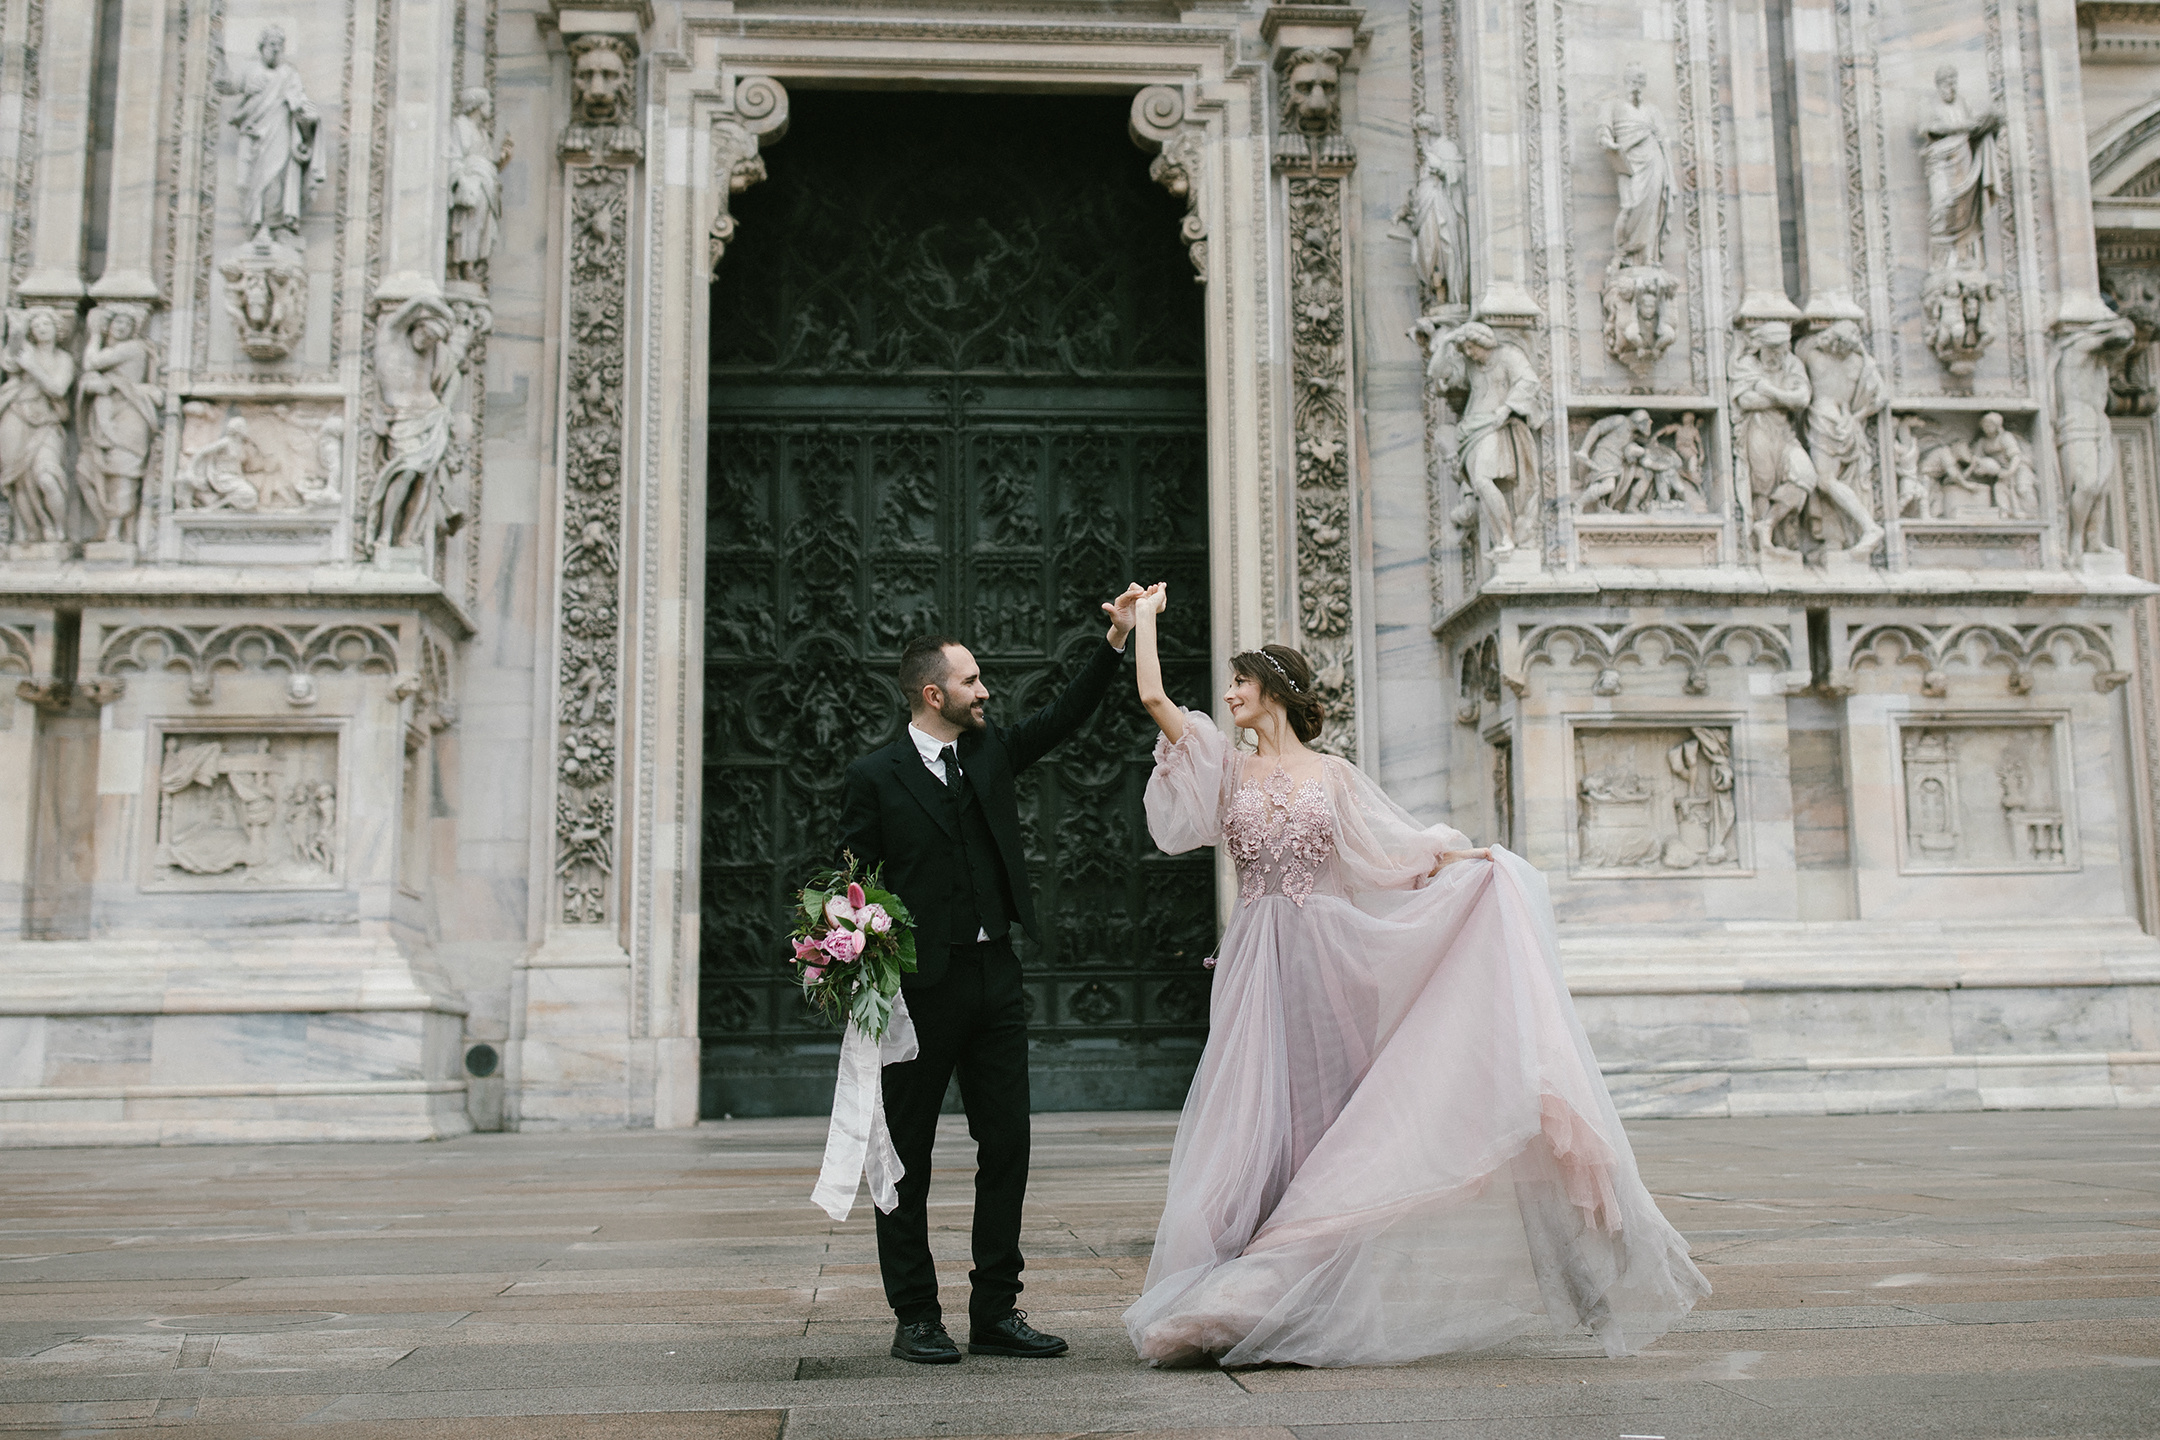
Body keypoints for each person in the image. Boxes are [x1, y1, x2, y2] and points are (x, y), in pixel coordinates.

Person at [1119, 584, 1708, 1368]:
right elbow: (1154, 695)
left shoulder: (1333, 776)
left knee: (1329, 1123)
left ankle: (1291, 1283)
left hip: (1332, 961)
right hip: (1258, 960)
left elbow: (1395, 854)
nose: (1228, 695)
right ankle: (1230, 1278)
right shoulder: (1226, 770)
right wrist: (1145, 623)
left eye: (1241, 683)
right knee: (1244, 1118)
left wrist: (1472, 864)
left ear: (1276, 694)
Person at [839, 585, 1147, 1366]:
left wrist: (1114, 641)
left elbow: (1065, 715)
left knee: (1006, 1142)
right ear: (933, 693)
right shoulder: (874, 775)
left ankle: (995, 1310)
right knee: (904, 1151)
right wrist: (849, 942)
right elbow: (848, 876)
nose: (987, 692)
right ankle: (915, 1315)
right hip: (917, 987)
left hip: (995, 976)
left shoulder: (987, 750)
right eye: (973, 682)